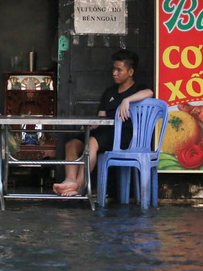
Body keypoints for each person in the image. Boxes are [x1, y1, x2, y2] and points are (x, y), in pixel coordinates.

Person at [53, 49, 153, 197]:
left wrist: (128, 100)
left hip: (123, 137)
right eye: (114, 69)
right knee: (72, 144)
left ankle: (78, 187)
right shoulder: (109, 92)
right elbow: (100, 118)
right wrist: (89, 125)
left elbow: (150, 93)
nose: (114, 73)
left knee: (92, 142)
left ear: (130, 72)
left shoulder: (138, 89)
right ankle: (70, 180)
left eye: (119, 70)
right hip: (104, 133)